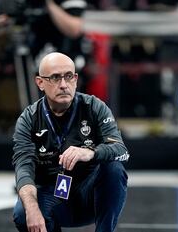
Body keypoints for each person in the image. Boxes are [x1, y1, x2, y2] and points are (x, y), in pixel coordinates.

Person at [12, 52, 129, 232]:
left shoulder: (94, 107)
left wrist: (91, 153)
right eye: (55, 78)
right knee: (22, 214)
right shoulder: (29, 119)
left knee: (114, 167)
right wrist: (31, 208)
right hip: (54, 195)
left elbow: (121, 150)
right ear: (40, 83)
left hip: (90, 196)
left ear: (75, 79)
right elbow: (23, 167)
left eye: (68, 76)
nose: (64, 85)